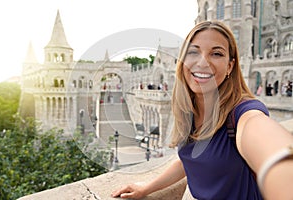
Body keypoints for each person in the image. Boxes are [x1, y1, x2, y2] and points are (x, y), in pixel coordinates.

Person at [111, 21, 293, 200]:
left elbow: (268, 144)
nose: (203, 62)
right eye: (193, 52)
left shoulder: (243, 112)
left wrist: (282, 166)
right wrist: (147, 188)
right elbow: (188, 161)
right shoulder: (188, 109)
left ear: (230, 66)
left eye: (216, 53)